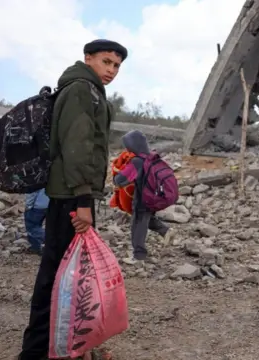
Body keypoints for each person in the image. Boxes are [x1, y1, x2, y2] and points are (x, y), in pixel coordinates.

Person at [19, 39, 127, 360]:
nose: (111, 70)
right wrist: (83, 200)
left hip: (72, 195)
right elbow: (77, 147)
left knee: (70, 273)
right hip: (70, 197)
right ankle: (38, 349)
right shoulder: (81, 89)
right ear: (88, 58)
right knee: (57, 274)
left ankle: (64, 345)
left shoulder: (90, 90)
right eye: (106, 62)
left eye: (117, 66)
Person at [113, 130, 173, 264]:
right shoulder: (151, 157)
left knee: (138, 225)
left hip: (142, 199)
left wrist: (117, 172)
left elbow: (120, 180)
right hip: (153, 197)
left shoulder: (137, 162)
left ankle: (139, 255)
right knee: (146, 219)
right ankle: (166, 231)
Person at [23, 188, 49, 255]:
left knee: (32, 227)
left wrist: (28, 205)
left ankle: (50, 240)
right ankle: (35, 247)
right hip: (50, 204)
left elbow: (32, 191)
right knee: (40, 226)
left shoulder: (36, 177)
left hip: (37, 206)